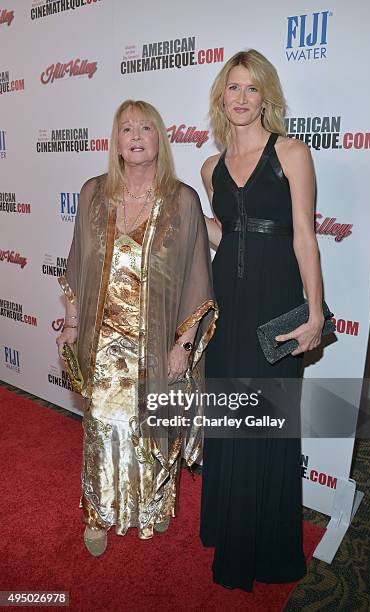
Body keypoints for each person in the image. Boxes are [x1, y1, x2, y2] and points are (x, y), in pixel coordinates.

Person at [56, 99, 218, 556]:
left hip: (155, 341)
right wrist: (70, 324)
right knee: (102, 427)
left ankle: (150, 507)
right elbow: (76, 266)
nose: (136, 136)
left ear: (159, 138)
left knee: (150, 430)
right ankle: (98, 512)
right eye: (126, 128)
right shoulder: (92, 195)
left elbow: (196, 278)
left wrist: (183, 344)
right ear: (116, 141)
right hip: (103, 342)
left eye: (145, 127)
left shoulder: (182, 201)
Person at [199, 50, 324, 591]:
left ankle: (266, 547)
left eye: (252, 88)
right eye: (233, 88)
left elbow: (304, 237)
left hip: (275, 302)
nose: (242, 98)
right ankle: (228, 528)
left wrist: (315, 311)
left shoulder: (292, 153)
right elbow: (230, 234)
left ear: (265, 96)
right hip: (227, 302)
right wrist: (179, 219)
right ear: (220, 97)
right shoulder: (209, 167)